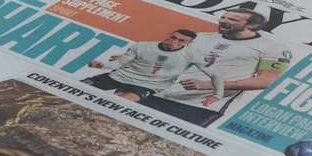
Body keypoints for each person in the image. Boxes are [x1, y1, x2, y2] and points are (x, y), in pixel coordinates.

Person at [139, 8, 292, 127]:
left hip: (200, 107)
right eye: (223, 17)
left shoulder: (272, 47)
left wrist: (210, 85)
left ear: (252, 26)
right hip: (158, 95)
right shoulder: (200, 37)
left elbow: (267, 81)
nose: (223, 21)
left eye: (232, 19)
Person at [83, 28, 224, 105]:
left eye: (180, 40)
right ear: (168, 34)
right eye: (173, 37)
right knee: (77, 88)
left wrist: (217, 95)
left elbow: (215, 74)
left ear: (188, 44)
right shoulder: (143, 46)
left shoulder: (192, 55)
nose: (173, 41)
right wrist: (102, 65)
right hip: (118, 77)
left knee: (117, 103)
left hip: (146, 86)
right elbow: (120, 62)